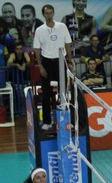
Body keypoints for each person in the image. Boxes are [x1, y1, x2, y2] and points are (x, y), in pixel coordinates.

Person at [34, 4, 73, 132]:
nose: (49, 15)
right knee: (46, 94)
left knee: (64, 93)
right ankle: (47, 121)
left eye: (51, 13)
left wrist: (70, 60)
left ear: (53, 13)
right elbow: (36, 49)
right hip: (46, 63)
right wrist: (40, 66)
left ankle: (66, 121)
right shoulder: (39, 30)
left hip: (60, 62)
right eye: (47, 13)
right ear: (43, 14)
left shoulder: (62, 27)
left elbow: (68, 43)